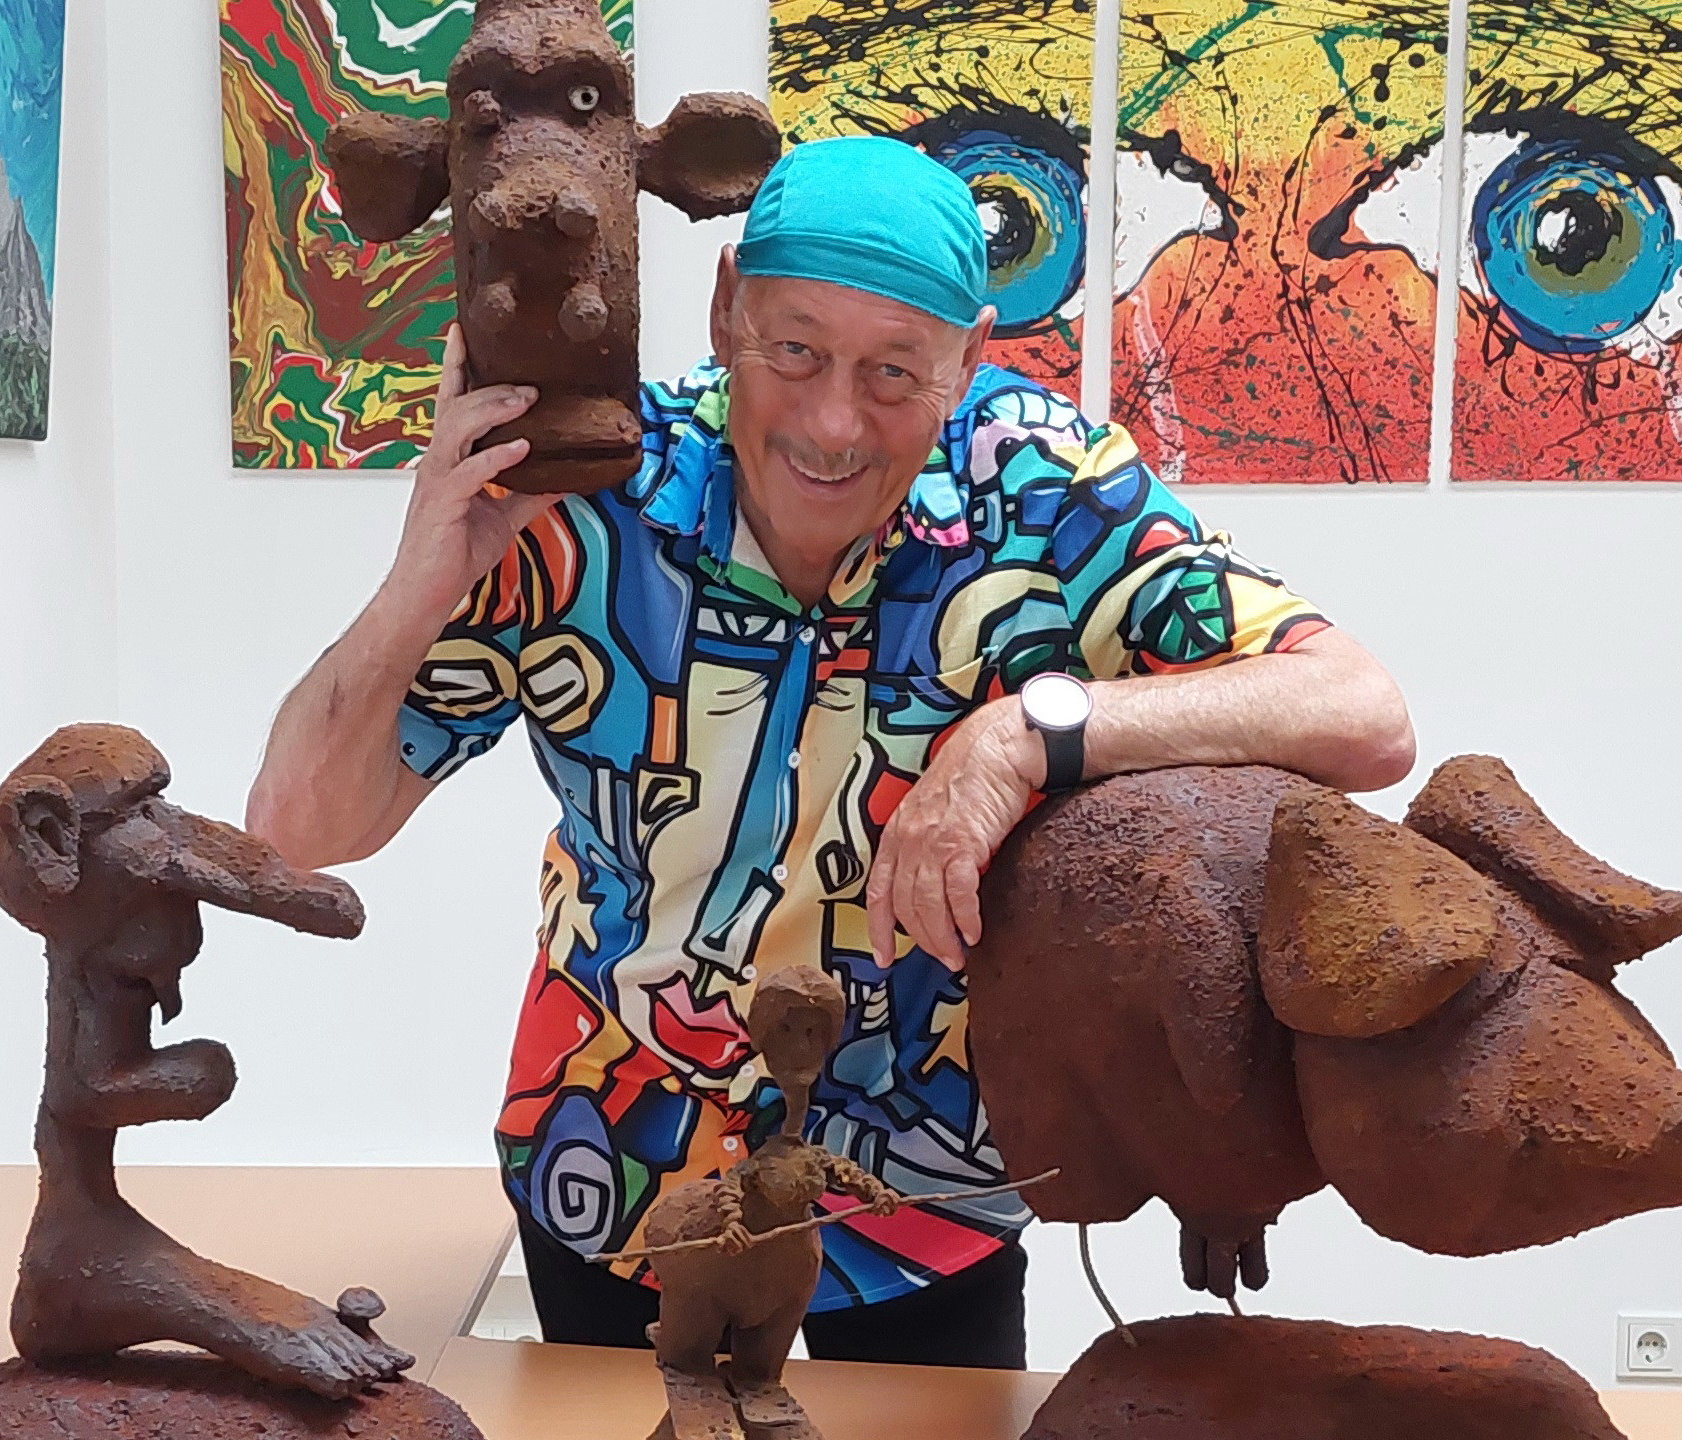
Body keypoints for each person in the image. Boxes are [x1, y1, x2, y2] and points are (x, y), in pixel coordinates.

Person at [247, 136, 1414, 1370]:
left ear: (969, 355)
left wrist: (1026, 731)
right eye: (793, 350)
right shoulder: (587, 492)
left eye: (894, 371)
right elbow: (296, 829)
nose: (832, 421)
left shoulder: (1045, 494)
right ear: (724, 309)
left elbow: (1359, 710)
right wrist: (419, 580)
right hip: (616, 1156)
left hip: (924, 1188)